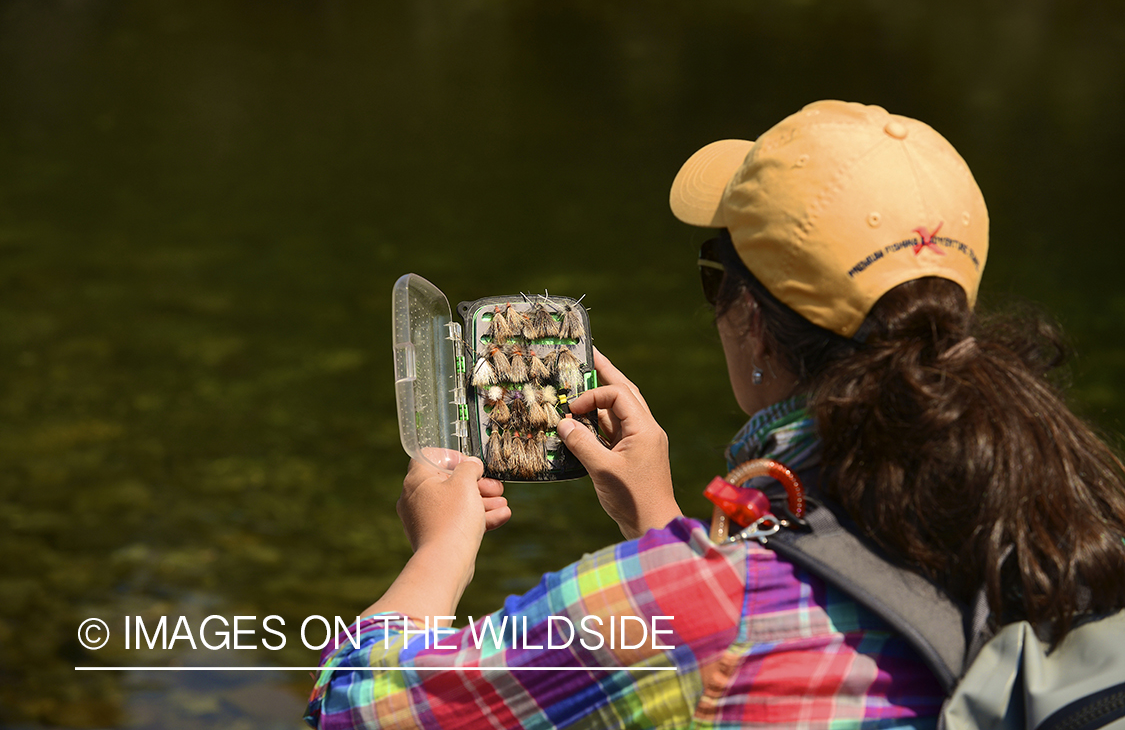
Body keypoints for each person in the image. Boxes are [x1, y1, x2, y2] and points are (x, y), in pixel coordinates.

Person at [304, 101, 1125, 729]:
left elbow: (359, 706)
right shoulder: (1073, 519)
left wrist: (440, 548)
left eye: (713, 277)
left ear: (751, 321)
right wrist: (660, 526)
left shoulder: (705, 604)